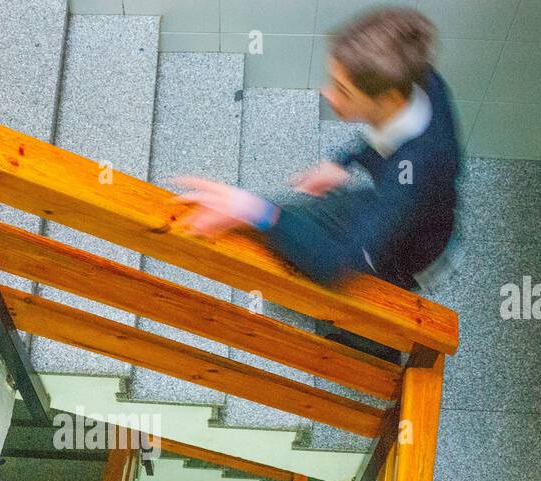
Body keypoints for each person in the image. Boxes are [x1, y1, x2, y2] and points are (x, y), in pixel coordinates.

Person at [175, 6, 462, 359]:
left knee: (370, 299)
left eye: (342, 89)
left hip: (408, 251)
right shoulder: (422, 83)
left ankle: (370, 348)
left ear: (387, 98)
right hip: (391, 207)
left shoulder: (415, 176)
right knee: (310, 222)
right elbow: (389, 134)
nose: (327, 93)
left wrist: (254, 209)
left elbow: (336, 265)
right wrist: (347, 161)